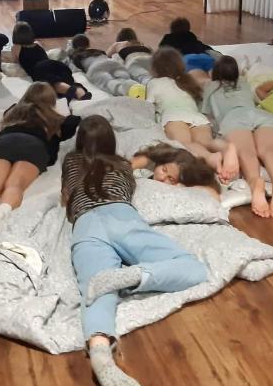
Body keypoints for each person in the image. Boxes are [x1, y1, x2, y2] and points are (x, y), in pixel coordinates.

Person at [64, 115, 208, 386]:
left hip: (85, 225)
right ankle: (136, 275)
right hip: (122, 216)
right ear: (112, 142)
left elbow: (66, 197)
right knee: (194, 268)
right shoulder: (121, 164)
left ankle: (100, 355)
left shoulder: (70, 162)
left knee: (95, 290)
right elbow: (152, 158)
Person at [0, 82, 80, 236]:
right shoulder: (56, 119)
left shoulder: (13, 112)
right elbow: (75, 121)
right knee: (14, 186)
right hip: (32, 146)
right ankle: (1, 212)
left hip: (3, 143)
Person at [202, 56, 273, 218]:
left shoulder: (211, 86)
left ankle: (255, 182)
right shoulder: (244, 82)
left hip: (233, 117)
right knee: (269, 149)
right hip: (259, 114)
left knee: (246, 151)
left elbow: (206, 114)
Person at [146, 47, 239, 182]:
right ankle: (228, 147)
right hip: (197, 117)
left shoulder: (155, 83)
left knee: (185, 143)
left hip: (173, 115)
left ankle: (210, 157)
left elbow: (148, 106)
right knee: (207, 142)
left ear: (155, 67)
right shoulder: (187, 81)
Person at [12, 21, 90, 101]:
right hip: (55, 64)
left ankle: (73, 91)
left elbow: (15, 62)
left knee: (53, 83)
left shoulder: (16, 47)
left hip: (39, 68)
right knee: (66, 80)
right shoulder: (37, 44)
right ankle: (81, 93)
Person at [131, 143, 220, 196]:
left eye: (171, 179)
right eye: (164, 170)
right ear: (159, 163)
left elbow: (213, 193)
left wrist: (184, 188)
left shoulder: (183, 186)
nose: (162, 178)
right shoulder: (146, 165)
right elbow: (127, 166)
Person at [69, 34, 144, 98]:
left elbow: (74, 71)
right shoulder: (97, 51)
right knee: (123, 76)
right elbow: (107, 55)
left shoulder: (76, 56)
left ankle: (124, 90)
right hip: (111, 62)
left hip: (95, 67)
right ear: (88, 44)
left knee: (108, 82)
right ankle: (134, 85)